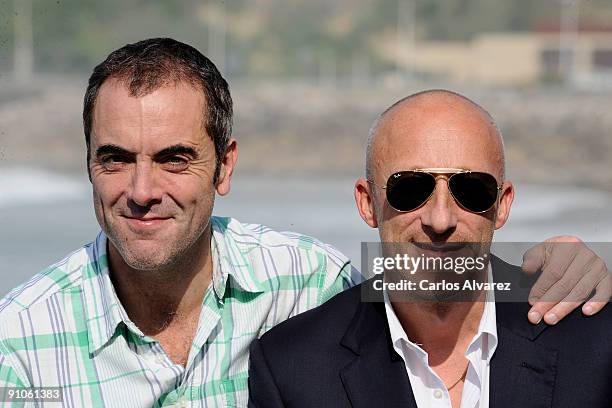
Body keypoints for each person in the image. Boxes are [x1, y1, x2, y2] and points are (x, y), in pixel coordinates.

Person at [0, 39, 607, 407]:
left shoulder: (312, 280)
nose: (141, 191)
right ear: (86, 163)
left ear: (225, 165)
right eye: (115, 159)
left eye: (173, 159)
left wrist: (550, 262)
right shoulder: (19, 344)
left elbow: (429, 288)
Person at [247, 90, 612, 408]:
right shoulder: (293, 368)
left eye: (471, 190)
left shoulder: (594, 342)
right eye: (410, 189)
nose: (440, 220)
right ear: (367, 203)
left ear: (502, 205)